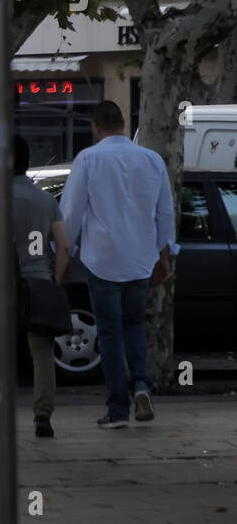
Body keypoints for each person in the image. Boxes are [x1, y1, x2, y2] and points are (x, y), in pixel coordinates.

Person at [59, 100, 176, 428]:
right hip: (141, 259)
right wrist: (164, 256)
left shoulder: (89, 159)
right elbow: (165, 212)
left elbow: (71, 212)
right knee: (135, 325)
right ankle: (141, 385)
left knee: (109, 332)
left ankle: (117, 409)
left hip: (102, 261)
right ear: (123, 124)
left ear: (96, 128)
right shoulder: (152, 159)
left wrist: (63, 253)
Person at [11, 136, 71, 438]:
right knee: (42, 352)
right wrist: (55, 281)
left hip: (2, 285)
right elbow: (63, 246)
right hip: (38, 282)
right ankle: (42, 415)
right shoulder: (46, 200)